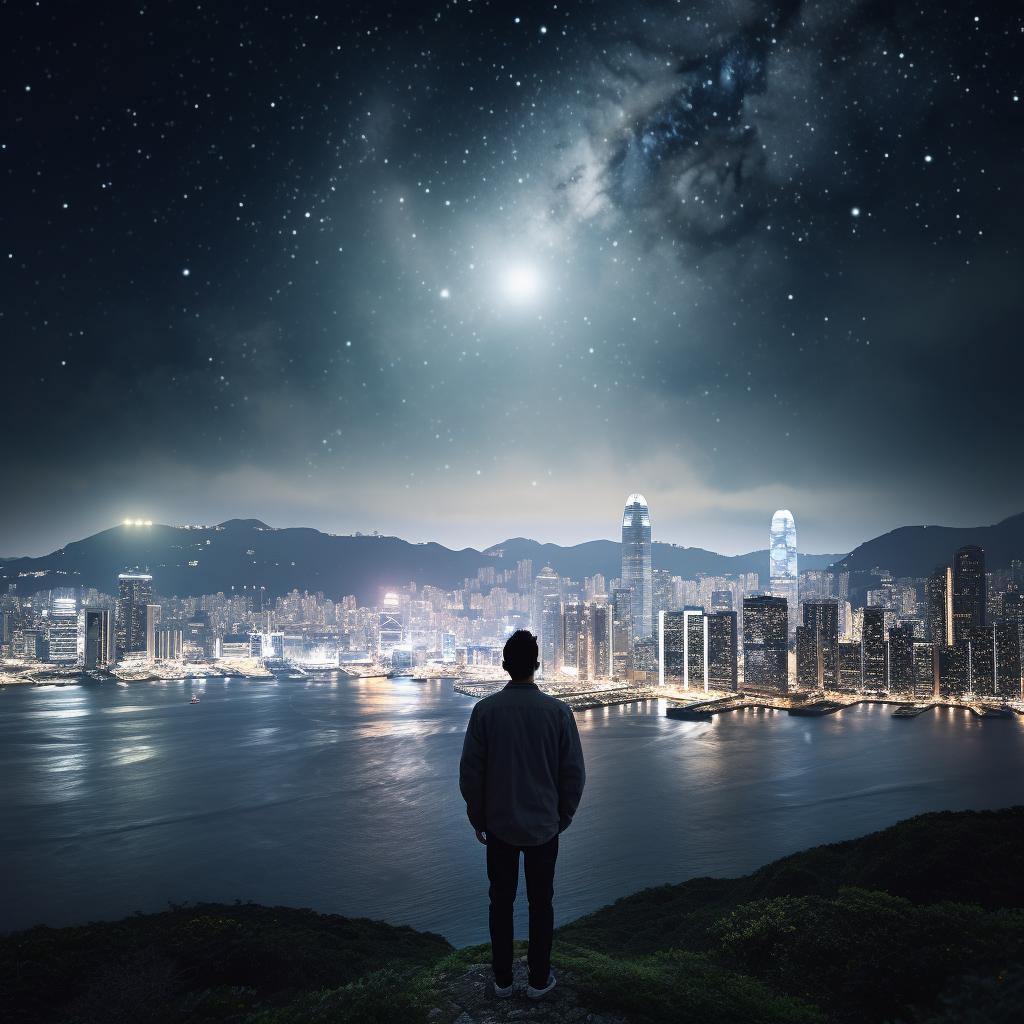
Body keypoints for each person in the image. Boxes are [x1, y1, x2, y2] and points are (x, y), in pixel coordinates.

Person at [459, 629, 586, 1000]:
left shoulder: (485, 711)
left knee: (500, 902)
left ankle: (501, 981)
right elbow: (573, 774)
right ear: (537, 665)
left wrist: (478, 817)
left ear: (503, 667)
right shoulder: (559, 712)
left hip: (498, 826)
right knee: (541, 903)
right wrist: (561, 818)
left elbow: (471, 772)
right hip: (544, 828)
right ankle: (538, 980)